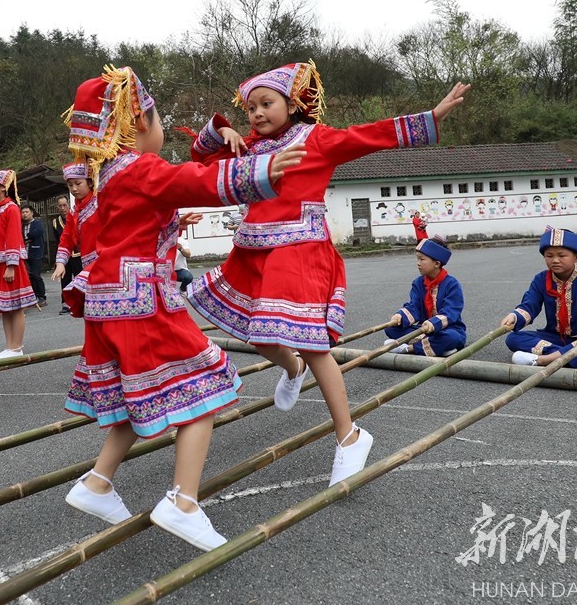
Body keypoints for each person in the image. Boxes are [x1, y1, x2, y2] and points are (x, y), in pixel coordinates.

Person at [186, 60, 470, 485]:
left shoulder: (315, 138)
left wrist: (430, 118)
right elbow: (201, 160)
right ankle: (293, 369)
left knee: (313, 345)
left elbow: (367, 135)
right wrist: (222, 132)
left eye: (266, 104)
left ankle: (349, 435)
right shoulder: (248, 145)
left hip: (300, 250)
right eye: (251, 108)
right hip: (253, 250)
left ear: (292, 104)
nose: (257, 113)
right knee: (258, 336)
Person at [61, 66, 305, 551]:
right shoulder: (139, 169)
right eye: (156, 120)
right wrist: (261, 171)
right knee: (205, 382)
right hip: (143, 304)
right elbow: (192, 177)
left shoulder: (107, 176)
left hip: (108, 302)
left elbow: (152, 211)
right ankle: (183, 501)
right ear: (138, 124)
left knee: (140, 393)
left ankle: (98, 482)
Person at [500, 228, 577, 370]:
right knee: (513, 338)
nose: (555, 260)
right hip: (553, 338)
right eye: (549, 256)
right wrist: (515, 316)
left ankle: (544, 360)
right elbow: (529, 305)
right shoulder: (540, 279)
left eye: (562, 255)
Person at [0, 169, 37, 358]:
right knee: (5, 308)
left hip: (9, 264)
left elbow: (13, 237)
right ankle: (9, 347)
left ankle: (16, 347)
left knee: (16, 307)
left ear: (3, 187)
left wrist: (11, 266)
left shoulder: (12, 208)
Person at [383, 237, 466, 356]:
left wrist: (434, 323)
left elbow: (451, 312)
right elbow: (414, 306)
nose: (418, 263)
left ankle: (409, 348)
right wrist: (400, 316)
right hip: (423, 329)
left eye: (422, 259)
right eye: (417, 259)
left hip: (448, 329)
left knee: (451, 338)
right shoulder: (418, 283)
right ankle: (436, 347)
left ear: (436, 263)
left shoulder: (452, 284)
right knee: (391, 328)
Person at [51, 163, 100, 317]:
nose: (73, 189)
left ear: (90, 182)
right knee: (91, 311)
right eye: (70, 185)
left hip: (104, 262)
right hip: (88, 264)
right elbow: (66, 239)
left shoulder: (101, 203)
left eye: (78, 183)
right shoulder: (74, 211)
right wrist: (60, 263)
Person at [53, 195, 82, 315]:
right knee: (65, 279)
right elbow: (57, 241)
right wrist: (58, 259)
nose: (63, 208)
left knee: (79, 278)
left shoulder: (77, 216)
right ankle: (66, 304)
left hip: (78, 254)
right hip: (65, 256)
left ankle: (81, 302)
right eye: (60, 206)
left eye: (65, 205)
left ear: (68, 204)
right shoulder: (55, 222)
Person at [21, 204, 47, 306]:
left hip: (36, 253)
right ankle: (33, 297)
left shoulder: (37, 223)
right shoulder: (21, 225)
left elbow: (38, 232)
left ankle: (42, 297)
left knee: (36, 275)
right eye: (23, 212)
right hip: (25, 254)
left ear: (32, 213)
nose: (24, 214)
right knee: (29, 277)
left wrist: (27, 237)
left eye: (27, 212)